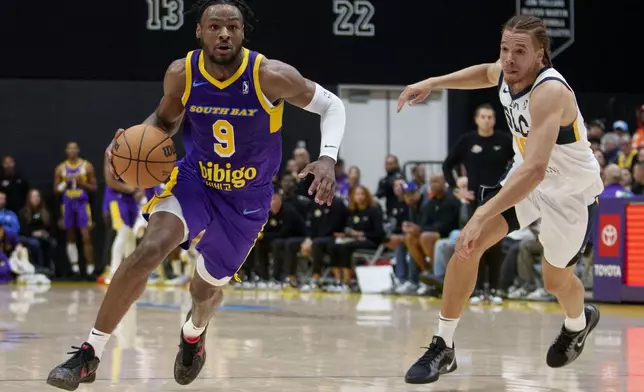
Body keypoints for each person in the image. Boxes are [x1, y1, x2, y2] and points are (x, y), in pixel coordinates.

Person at [46, 0, 345, 389]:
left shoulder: (270, 75)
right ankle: (90, 353)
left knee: (204, 290)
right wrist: (133, 140)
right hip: (196, 181)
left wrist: (327, 159)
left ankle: (193, 334)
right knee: (148, 250)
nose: (224, 33)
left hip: (246, 199)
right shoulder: (182, 74)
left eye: (233, 27)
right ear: (199, 32)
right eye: (215, 26)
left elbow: (332, 106)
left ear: (242, 33)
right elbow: (164, 122)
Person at [398, 15, 602, 384]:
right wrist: (432, 82)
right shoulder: (508, 74)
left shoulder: (549, 91)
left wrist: (480, 213)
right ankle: (443, 346)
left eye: (519, 51)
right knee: (468, 245)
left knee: (556, 282)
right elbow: (484, 73)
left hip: (568, 192)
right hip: (528, 181)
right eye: (505, 48)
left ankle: (578, 322)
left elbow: (536, 169)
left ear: (540, 55)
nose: (508, 58)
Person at [53, 142, 97, 276]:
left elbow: (94, 187)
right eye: (69, 148)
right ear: (66, 151)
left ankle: (90, 266)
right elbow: (56, 190)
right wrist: (65, 183)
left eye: (74, 148)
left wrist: (81, 183)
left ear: (78, 150)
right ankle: (75, 267)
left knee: (86, 235)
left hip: (82, 203)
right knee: (70, 235)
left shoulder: (86, 166)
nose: (72, 150)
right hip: (67, 203)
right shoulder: (61, 168)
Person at [102, 156, 143, 284]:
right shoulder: (111, 153)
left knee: (131, 235)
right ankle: (114, 273)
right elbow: (110, 181)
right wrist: (131, 189)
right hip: (116, 198)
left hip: (131, 200)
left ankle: (128, 273)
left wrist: (140, 190)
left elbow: (143, 177)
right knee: (123, 232)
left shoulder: (137, 153)